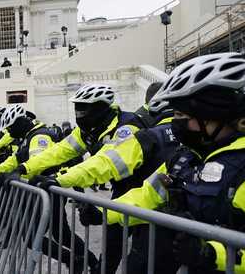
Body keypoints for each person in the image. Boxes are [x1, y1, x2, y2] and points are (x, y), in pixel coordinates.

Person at [98, 53, 245, 273]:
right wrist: (102, 212)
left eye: (181, 115)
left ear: (213, 114)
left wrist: (212, 253)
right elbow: (148, 195)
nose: (176, 123)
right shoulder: (186, 157)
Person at [18, 84, 147, 273]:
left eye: (83, 108)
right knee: (110, 251)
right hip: (122, 192)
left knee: (142, 258)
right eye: (77, 108)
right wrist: (25, 168)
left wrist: (59, 179)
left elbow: (105, 163)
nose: (79, 114)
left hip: (147, 193)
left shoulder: (126, 127)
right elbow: (59, 151)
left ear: (101, 108)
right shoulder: (88, 129)